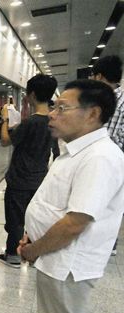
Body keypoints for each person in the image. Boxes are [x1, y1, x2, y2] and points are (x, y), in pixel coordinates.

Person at [19, 79, 124, 313]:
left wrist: (34, 249)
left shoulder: (100, 157)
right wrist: (30, 232)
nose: (52, 114)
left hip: (67, 264)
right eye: (54, 106)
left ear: (92, 114)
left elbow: (74, 223)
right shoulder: (76, 150)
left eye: (62, 108)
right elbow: (55, 204)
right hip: (55, 257)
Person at [0, 74, 57, 267]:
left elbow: (5, 141)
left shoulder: (30, 122)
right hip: (39, 179)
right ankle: (31, 254)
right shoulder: (52, 121)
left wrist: (5, 120)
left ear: (31, 94)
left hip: (20, 179)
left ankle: (13, 255)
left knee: (15, 219)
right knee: (32, 219)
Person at [90, 55, 123, 256]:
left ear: (100, 77)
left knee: (102, 202)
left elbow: (106, 138)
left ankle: (105, 243)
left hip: (110, 164)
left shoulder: (114, 101)